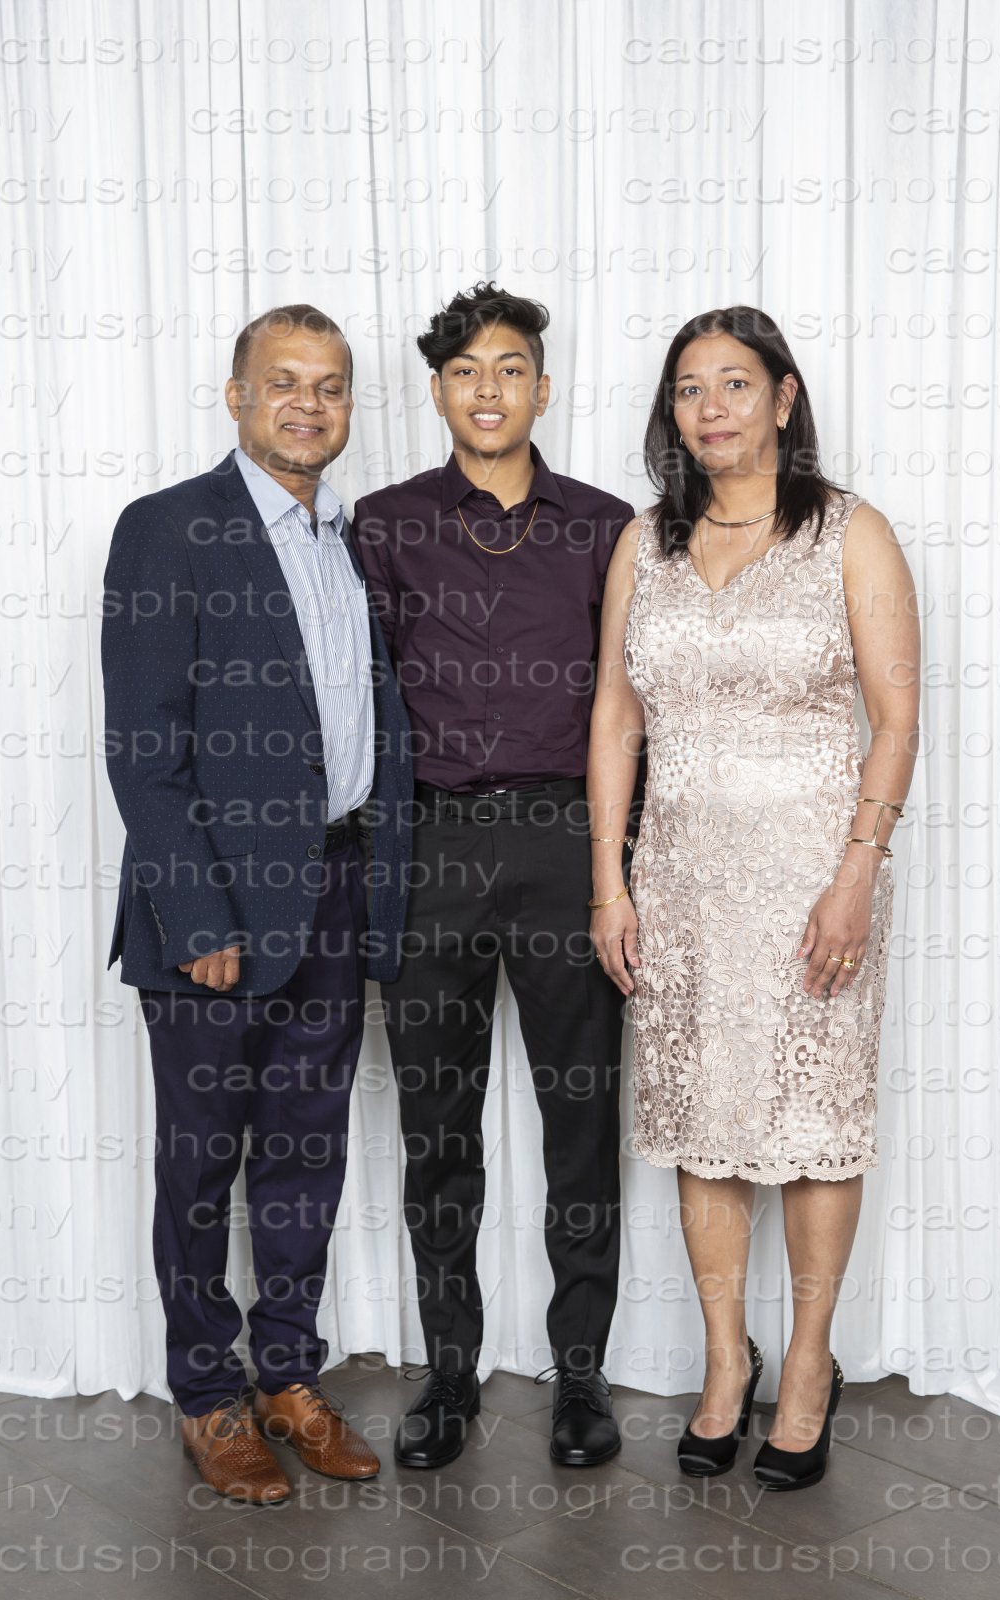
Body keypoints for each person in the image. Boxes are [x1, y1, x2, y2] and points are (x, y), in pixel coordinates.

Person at [587, 306, 920, 1491]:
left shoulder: (849, 533)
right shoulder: (644, 543)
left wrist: (855, 872)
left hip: (810, 884)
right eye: (689, 387)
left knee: (814, 1123)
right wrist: (608, 881)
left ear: (782, 398)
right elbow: (614, 716)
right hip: (677, 883)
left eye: (735, 382)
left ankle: (810, 1365)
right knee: (701, 1122)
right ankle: (726, 1361)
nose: (711, 406)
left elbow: (894, 717)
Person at [101, 305, 412, 1503]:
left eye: (328, 386)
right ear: (236, 396)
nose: (307, 404)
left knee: (304, 1153)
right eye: (282, 381)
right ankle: (206, 1394)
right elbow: (143, 747)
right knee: (199, 1167)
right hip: (214, 911)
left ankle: (286, 1374)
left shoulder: (346, 541)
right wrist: (199, 918)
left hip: (334, 892)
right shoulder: (168, 529)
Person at [352, 282, 635, 1469]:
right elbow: (356, 701)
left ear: (541, 388)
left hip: (568, 843)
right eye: (465, 370)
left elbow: (632, 704)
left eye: (509, 368)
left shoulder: (606, 526)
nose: (487, 388)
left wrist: (621, 866)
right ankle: (449, 1371)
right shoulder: (383, 524)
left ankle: (580, 1373)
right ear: (435, 391)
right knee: (437, 1126)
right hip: (431, 851)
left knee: (581, 1117)